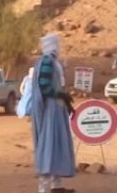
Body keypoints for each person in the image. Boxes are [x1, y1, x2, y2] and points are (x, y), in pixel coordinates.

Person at [30, 33, 76, 193]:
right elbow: (45, 86)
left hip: (57, 109)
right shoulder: (47, 61)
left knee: (57, 145)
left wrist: (67, 103)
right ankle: (43, 187)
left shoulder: (54, 62)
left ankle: (57, 186)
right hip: (50, 111)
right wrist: (60, 95)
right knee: (48, 146)